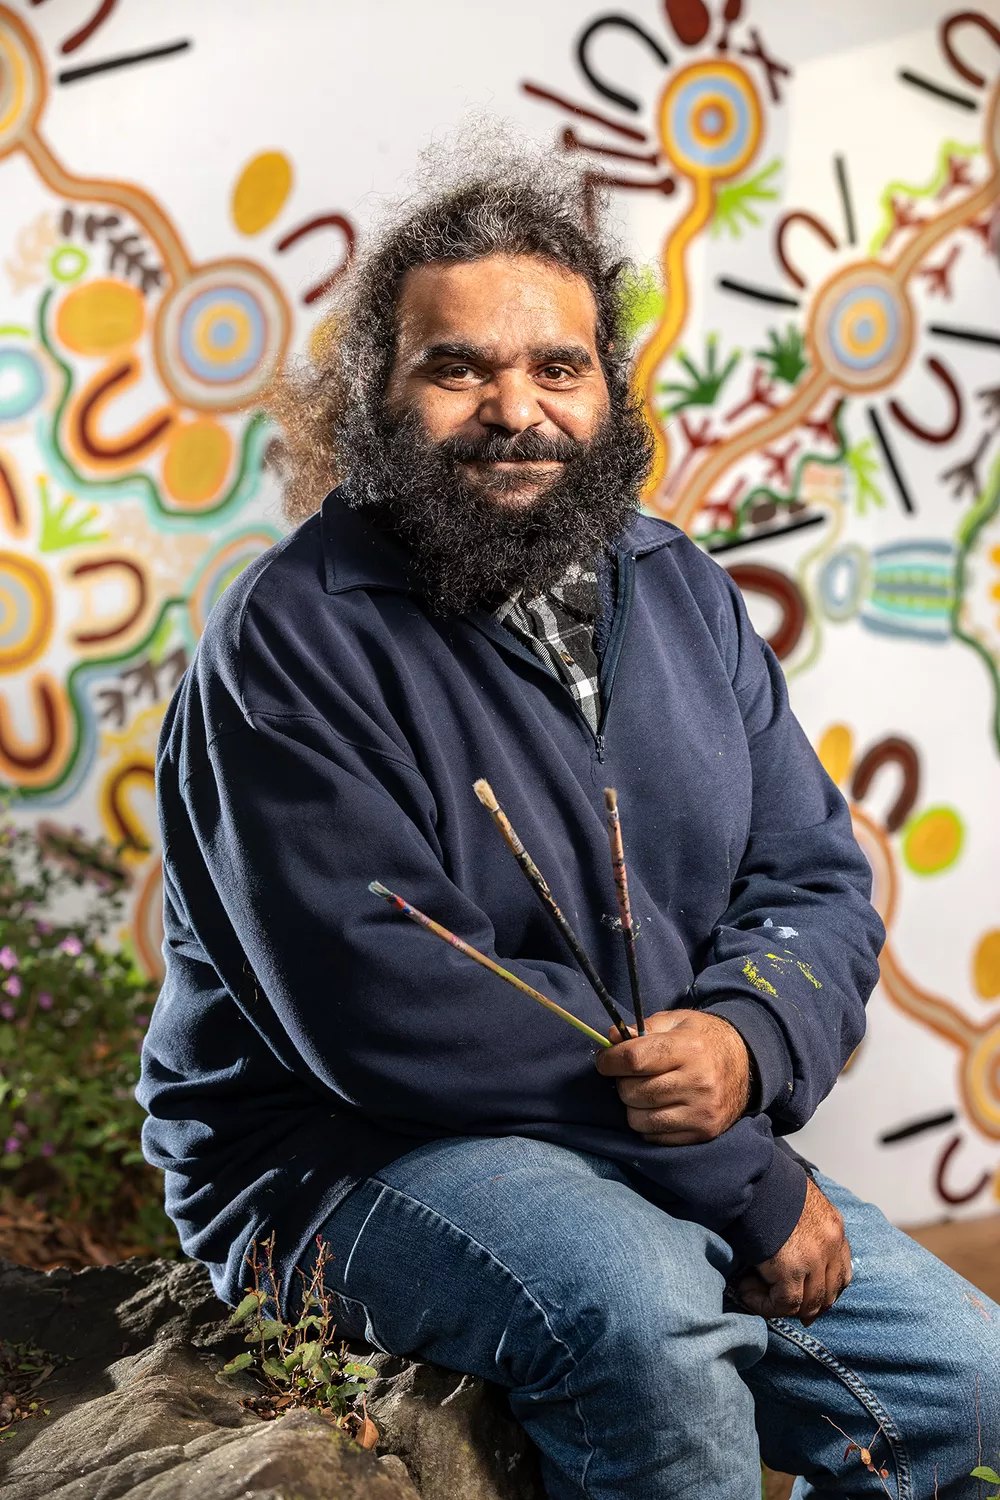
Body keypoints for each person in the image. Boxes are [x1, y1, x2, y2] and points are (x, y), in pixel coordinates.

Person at [138, 149, 998, 1499]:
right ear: (377, 393)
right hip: (341, 1155)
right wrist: (745, 1180)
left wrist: (745, 1036)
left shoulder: (682, 589)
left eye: (558, 367)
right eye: (458, 368)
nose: (515, 410)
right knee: (645, 1319)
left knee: (975, 1391)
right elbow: (390, 1002)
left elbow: (811, 878)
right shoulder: (290, 639)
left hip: (648, 1132)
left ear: (608, 389)